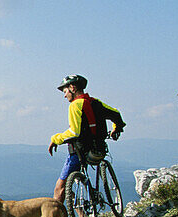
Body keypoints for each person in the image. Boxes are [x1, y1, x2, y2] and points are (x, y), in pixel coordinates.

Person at [48, 74, 125, 203]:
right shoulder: (95, 103)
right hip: (99, 148)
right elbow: (116, 114)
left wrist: (55, 139)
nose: (64, 95)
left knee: (60, 188)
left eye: (65, 91)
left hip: (79, 152)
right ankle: (85, 214)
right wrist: (116, 129)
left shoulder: (75, 105)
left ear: (72, 87)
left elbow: (74, 132)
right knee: (78, 180)